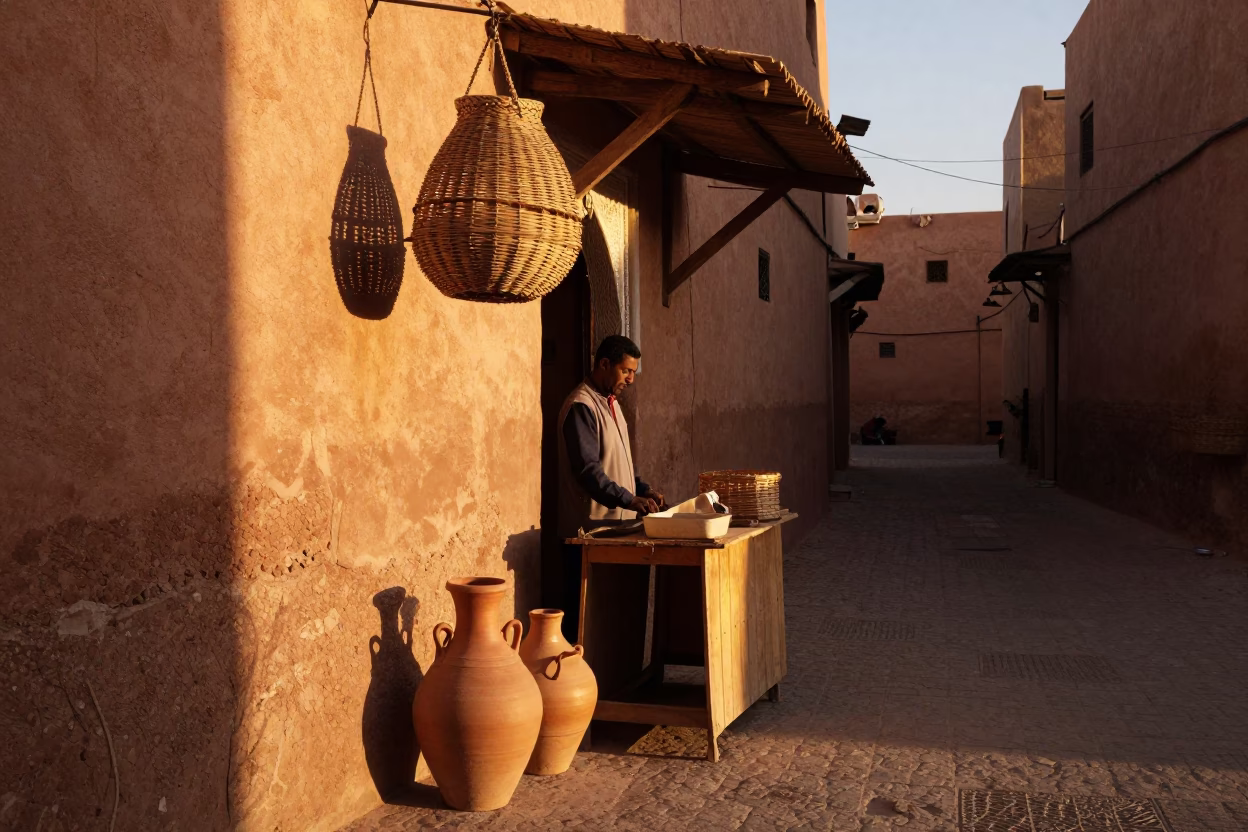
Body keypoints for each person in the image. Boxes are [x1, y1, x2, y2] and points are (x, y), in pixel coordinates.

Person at [557, 335, 664, 640]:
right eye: (625, 371)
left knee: (610, 625)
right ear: (604, 364)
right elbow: (589, 472)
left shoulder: (611, 404)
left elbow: (618, 464)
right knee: (584, 626)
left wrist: (642, 490)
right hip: (588, 534)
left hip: (614, 533)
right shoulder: (581, 406)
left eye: (633, 372)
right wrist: (630, 500)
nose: (630, 379)